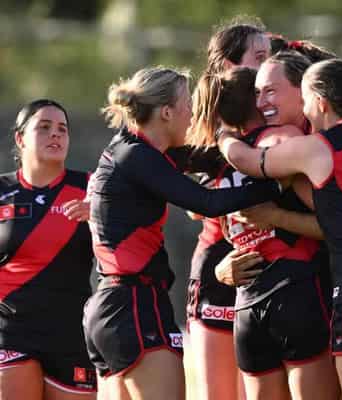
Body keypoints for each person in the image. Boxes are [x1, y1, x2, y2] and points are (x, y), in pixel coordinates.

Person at [82, 66, 282, 400]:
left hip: (113, 305)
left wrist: (245, 143)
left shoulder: (133, 149)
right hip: (133, 304)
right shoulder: (137, 157)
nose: (193, 114)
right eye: (188, 104)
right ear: (166, 112)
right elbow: (207, 201)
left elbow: (200, 158)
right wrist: (275, 182)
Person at [217, 58, 342, 400]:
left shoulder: (317, 148)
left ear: (320, 102)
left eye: (303, 100)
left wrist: (223, 136)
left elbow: (248, 162)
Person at [190, 63, 340, 400]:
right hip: (294, 290)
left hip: (246, 304)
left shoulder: (219, 162)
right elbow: (336, 217)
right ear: (255, 103)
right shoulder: (282, 140)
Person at [182, 18, 272, 400]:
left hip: (283, 273)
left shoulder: (284, 118)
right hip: (220, 266)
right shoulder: (205, 129)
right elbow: (186, 200)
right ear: (227, 66)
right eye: (261, 56)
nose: (270, 65)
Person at [0, 99, 97, 399]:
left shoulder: (93, 187)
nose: (55, 135)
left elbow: (139, 233)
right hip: (11, 331)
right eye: (44, 128)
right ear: (20, 138)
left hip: (72, 334)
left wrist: (101, 215)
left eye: (62, 129)